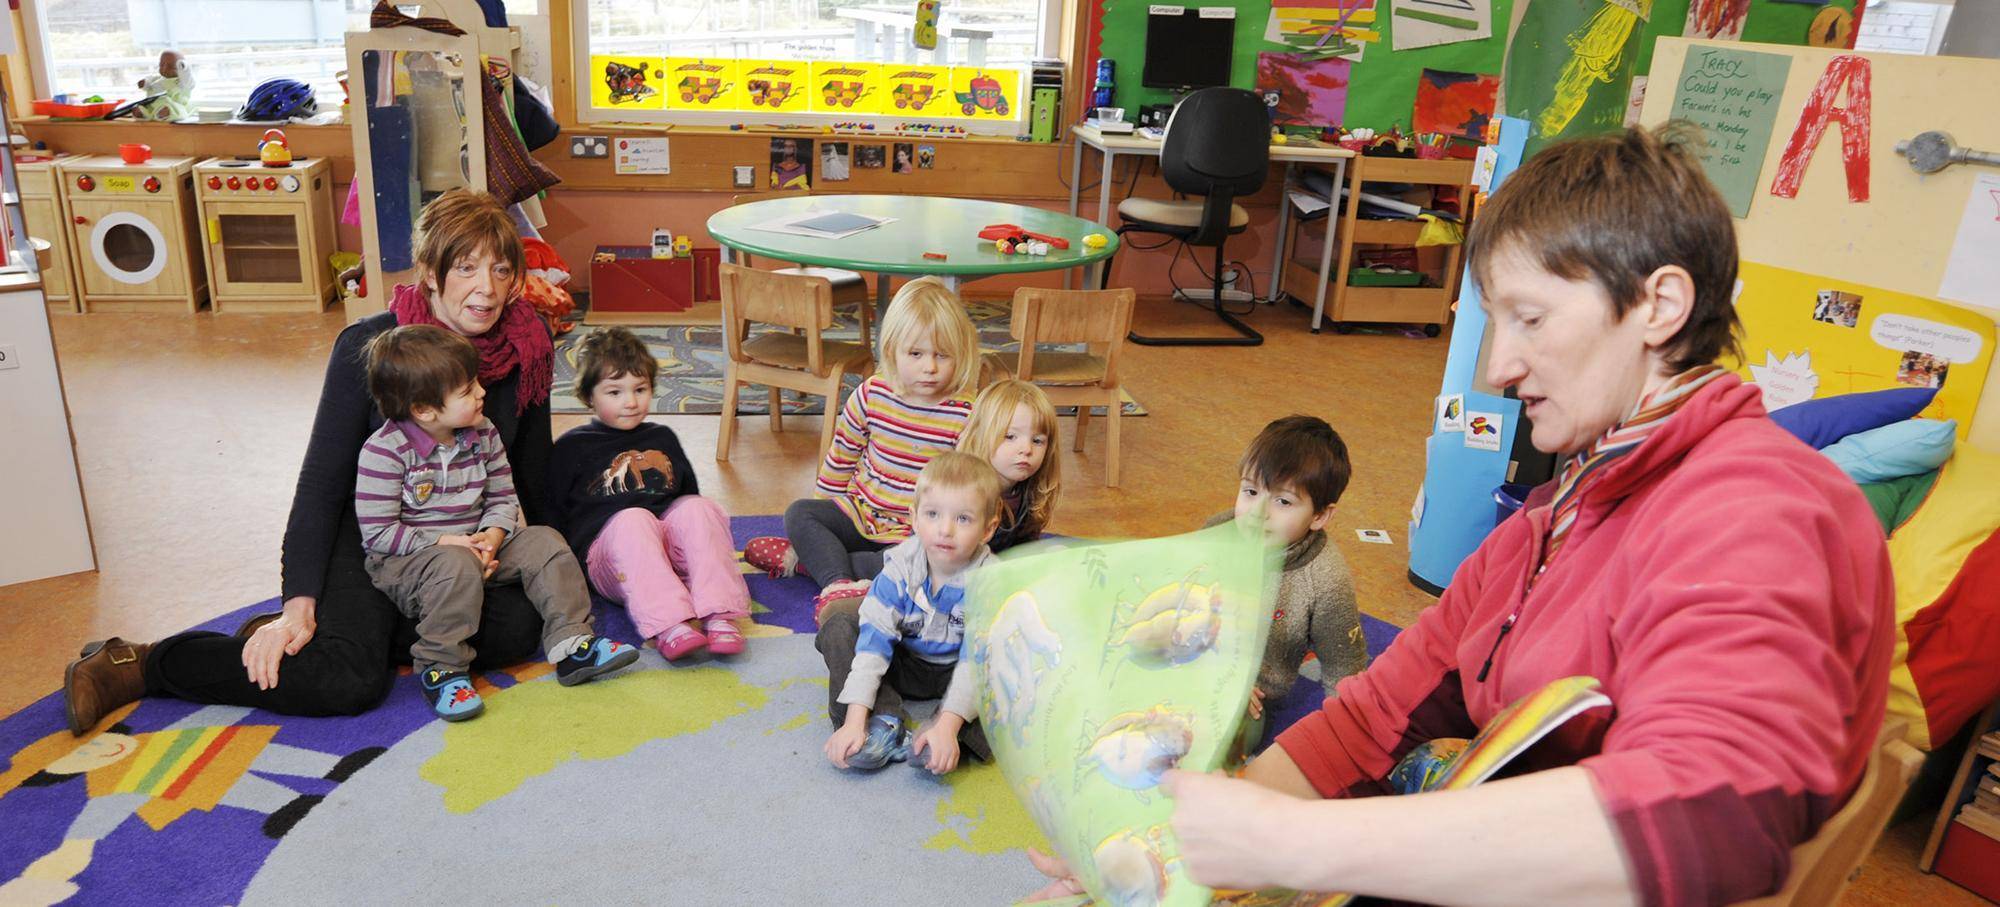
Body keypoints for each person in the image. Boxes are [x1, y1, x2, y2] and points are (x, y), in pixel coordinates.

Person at [1031, 127, 1894, 906]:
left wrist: (1292, 842)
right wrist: (1179, 853)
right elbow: (1372, 719)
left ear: (1659, 307)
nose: (1500, 365)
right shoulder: (1555, 516)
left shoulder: (1754, 507)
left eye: (1529, 317)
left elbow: (1709, 813)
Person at [63, 189, 564, 736]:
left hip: (462, 545)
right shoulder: (370, 345)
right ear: (429, 271)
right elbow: (322, 484)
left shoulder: (528, 344)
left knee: (521, 627)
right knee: (345, 680)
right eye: (466, 268)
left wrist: (514, 548)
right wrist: (298, 603)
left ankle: (355, 626)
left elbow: (531, 470)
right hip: (378, 537)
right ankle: (139, 663)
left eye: (500, 269)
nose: (486, 289)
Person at [356, 325, 637, 720]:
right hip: (409, 560)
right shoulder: (384, 452)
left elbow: (503, 497)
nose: (481, 393)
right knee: (455, 565)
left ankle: (573, 643)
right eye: (467, 390)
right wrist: (449, 544)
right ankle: (442, 668)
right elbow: (379, 533)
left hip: (477, 544)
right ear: (424, 410)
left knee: (545, 543)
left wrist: (494, 534)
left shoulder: (483, 432)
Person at [742, 277, 982, 622]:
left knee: (932, 564)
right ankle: (838, 583)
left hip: (914, 533)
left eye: (941, 356)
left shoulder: (965, 414)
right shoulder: (872, 394)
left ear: (960, 355)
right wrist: (825, 517)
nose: (929, 367)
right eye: (916, 354)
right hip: (860, 513)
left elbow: (966, 488)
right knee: (799, 514)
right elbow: (842, 456)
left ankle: (807, 560)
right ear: (892, 352)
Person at [549, 327, 750, 661]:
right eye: (614, 392)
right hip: (615, 564)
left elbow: (687, 501)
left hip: (668, 557)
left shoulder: (663, 437)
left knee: (698, 508)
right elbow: (552, 513)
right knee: (632, 519)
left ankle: (719, 613)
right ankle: (669, 623)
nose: (630, 402)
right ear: (589, 397)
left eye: (640, 389)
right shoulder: (571, 447)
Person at [816, 451, 1001, 775]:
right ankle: (883, 721)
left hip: (961, 667)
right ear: (914, 518)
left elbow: (977, 662)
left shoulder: (991, 582)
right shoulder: (898, 570)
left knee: (1015, 677)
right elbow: (873, 645)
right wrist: (855, 719)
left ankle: (947, 733)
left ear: (988, 529)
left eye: (963, 519)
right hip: (905, 662)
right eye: (932, 514)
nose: (945, 529)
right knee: (839, 626)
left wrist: (948, 723)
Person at [1205, 415, 1363, 744]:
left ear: (1320, 515)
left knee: (1220, 732)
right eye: (1250, 491)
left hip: (1249, 699)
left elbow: (1345, 671)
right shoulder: (1216, 533)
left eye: (1283, 501)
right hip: (1194, 664)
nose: (1258, 512)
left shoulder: (1326, 580)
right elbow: (1176, 604)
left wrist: (1343, 748)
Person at [954, 379, 1062, 553]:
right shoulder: (961, 493)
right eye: (1010, 437)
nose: (1026, 449)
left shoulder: (1030, 491)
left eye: (1037, 441)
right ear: (980, 436)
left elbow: (1022, 546)